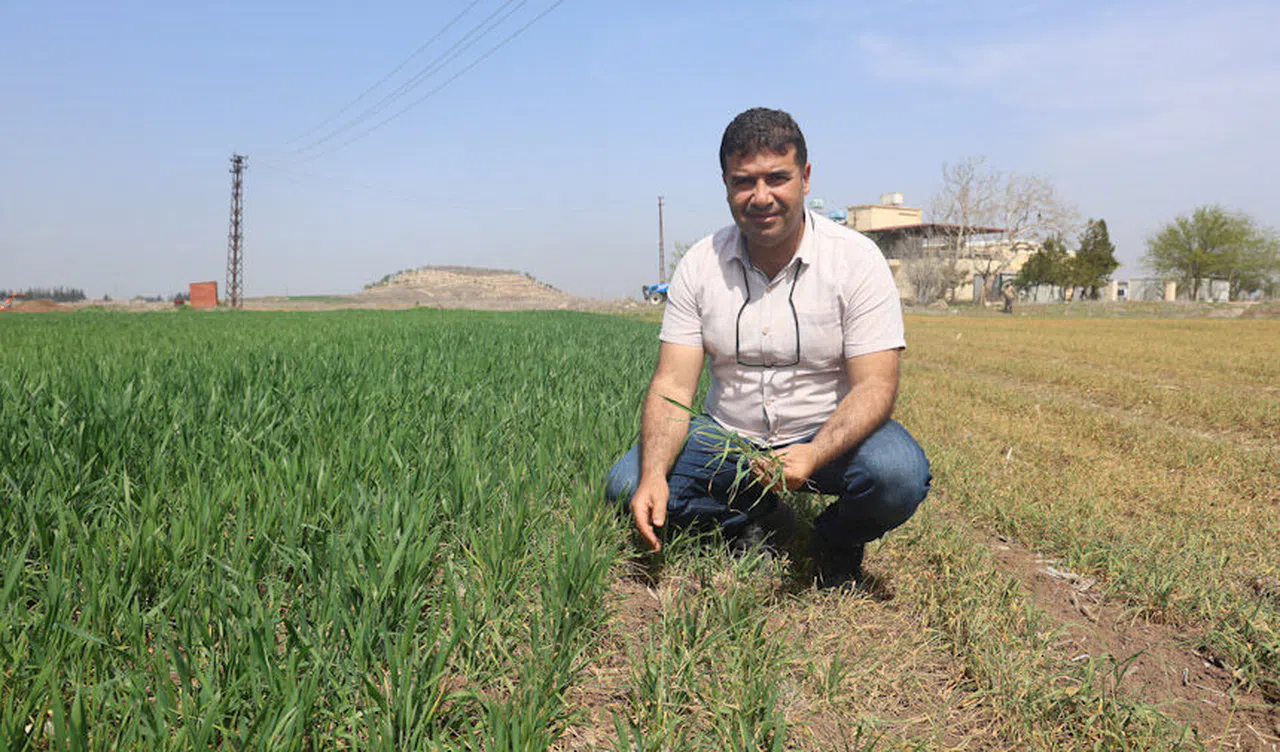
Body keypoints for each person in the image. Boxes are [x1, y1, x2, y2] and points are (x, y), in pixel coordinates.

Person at [605, 107, 930, 590]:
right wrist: (655, 473)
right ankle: (753, 516)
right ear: (726, 184)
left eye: (777, 178)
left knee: (896, 473)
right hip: (727, 437)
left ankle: (835, 540)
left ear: (805, 177)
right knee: (628, 486)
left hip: (825, 432)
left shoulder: (856, 261)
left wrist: (814, 453)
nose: (761, 197)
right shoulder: (700, 265)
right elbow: (672, 385)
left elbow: (876, 386)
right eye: (744, 182)